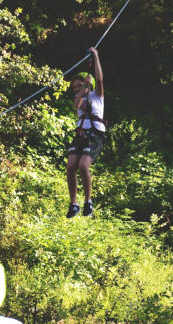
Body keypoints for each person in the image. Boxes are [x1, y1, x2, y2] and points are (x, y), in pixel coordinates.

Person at [65, 47, 105, 218]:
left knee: (82, 166)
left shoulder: (98, 96)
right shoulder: (79, 99)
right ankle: (74, 204)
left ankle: (88, 201)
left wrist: (95, 57)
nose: (77, 89)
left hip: (95, 135)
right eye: (75, 87)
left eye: (79, 85)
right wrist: (83, 88)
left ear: (88, 84)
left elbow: (100, 79)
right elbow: (76, 102)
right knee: (70, 166)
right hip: (81, 135)